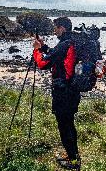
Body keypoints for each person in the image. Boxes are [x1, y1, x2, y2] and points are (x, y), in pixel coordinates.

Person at [33, 17, 81, 170]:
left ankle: (73, 162)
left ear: (63, 28)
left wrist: (36, 50)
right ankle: (73, 155)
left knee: (64, 126)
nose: (54, 30)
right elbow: (55, 54)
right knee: (69, 123)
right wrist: (44, 46)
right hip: (73, 90)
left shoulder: (65, 44)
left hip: (63, 92)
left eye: (56, 27)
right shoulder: (72, 42)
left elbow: (43, 63)